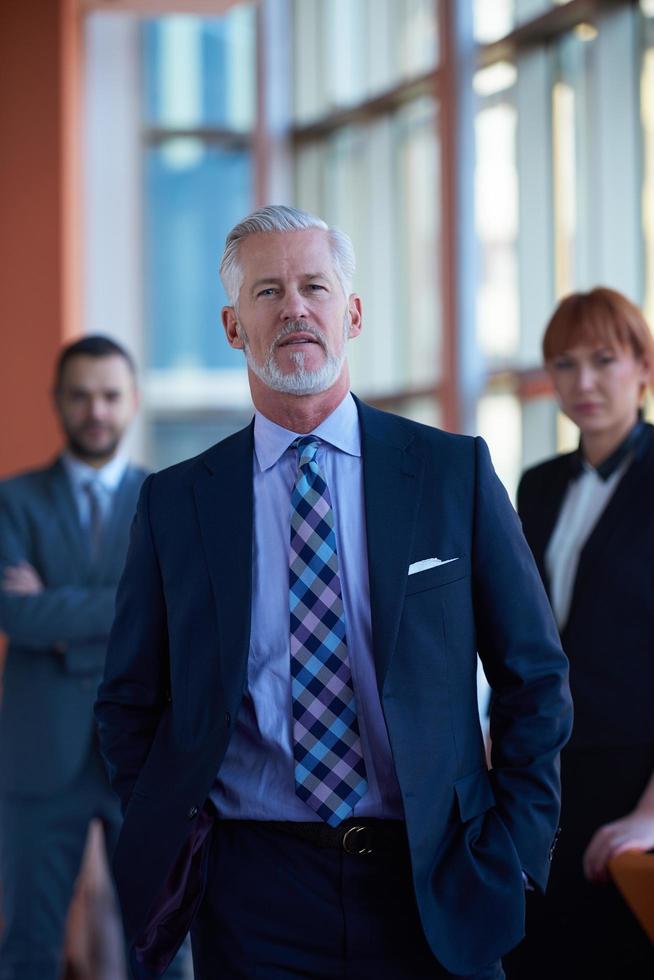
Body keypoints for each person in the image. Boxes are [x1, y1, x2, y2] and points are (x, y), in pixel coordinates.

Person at [95, 205, 572, 980]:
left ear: (350, 313)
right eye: (268, 292)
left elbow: (535, 674)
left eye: (314, 286)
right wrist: (179, 834)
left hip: (436, 876)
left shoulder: (452, 473)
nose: (294, 308)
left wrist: (515, 843)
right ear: (231, 326)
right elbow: (127, 701)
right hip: (252, 891)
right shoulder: (177, 503)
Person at [507, 287, 654, 979]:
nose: (584, 383)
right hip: (542, 775)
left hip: (633, 782)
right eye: (564, 365)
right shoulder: (537, 486)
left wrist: (653, 812)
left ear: (644, 369)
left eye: (604, 360)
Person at [0, 336, 148, 980]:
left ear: (132, 402)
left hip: (142, 753)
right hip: (39, 759)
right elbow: (14, 614)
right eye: (80, 395)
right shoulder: (13, 500)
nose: (96, 410)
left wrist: (59, 617)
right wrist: (122, 608)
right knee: (28, 950)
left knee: (161, 946)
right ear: (56, 402)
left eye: (110, 395)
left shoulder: (165, 497)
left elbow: (169, 616)